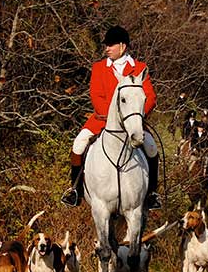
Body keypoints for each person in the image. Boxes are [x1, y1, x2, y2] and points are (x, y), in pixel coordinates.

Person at [62, 26, 161, 209]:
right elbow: (96, 95)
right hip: (101, 120)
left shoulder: (139, 68)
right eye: (106, 45)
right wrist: (112, 118)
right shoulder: (98, 68)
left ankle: (152, 193)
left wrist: (136, 117)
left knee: (152, 148)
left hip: (133, 123)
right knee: (78, 143)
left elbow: (150, 97)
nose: (106, 48)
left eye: (110, 45)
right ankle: (75, 190)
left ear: (122, 46)